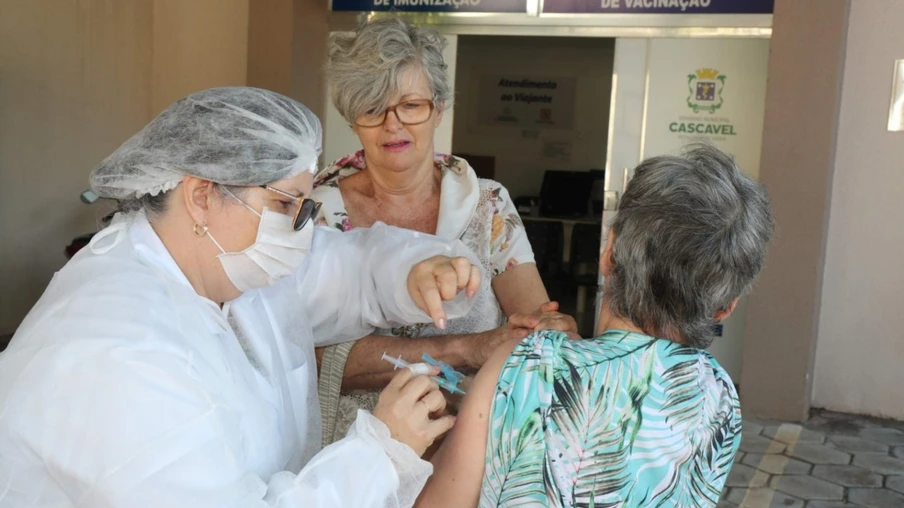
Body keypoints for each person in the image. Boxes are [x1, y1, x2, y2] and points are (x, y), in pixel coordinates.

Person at [0, 87, 488, 508]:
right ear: (201, 196)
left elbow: (345, 267)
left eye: (303, 205)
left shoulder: (229, 266)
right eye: (282, 205)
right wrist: (380, 452)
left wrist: (416, 271)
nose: (298, 227)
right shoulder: (115, 348)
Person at [415, 144, 775, 507]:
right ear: (725, 308)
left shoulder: (524, 369)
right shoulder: (721, 396)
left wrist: (413, 441)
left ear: (608, 252)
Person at [313, 16, 577, 444]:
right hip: (353, 459)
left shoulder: (487, 205)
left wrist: (551, 332)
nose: (392, 123)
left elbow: (533, 326)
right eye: (372, 107)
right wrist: (467, 347)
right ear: (351, 116)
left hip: (472, 449)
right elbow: (308, 360)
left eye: (411, 106)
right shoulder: (316, 214)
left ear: (438, 108)